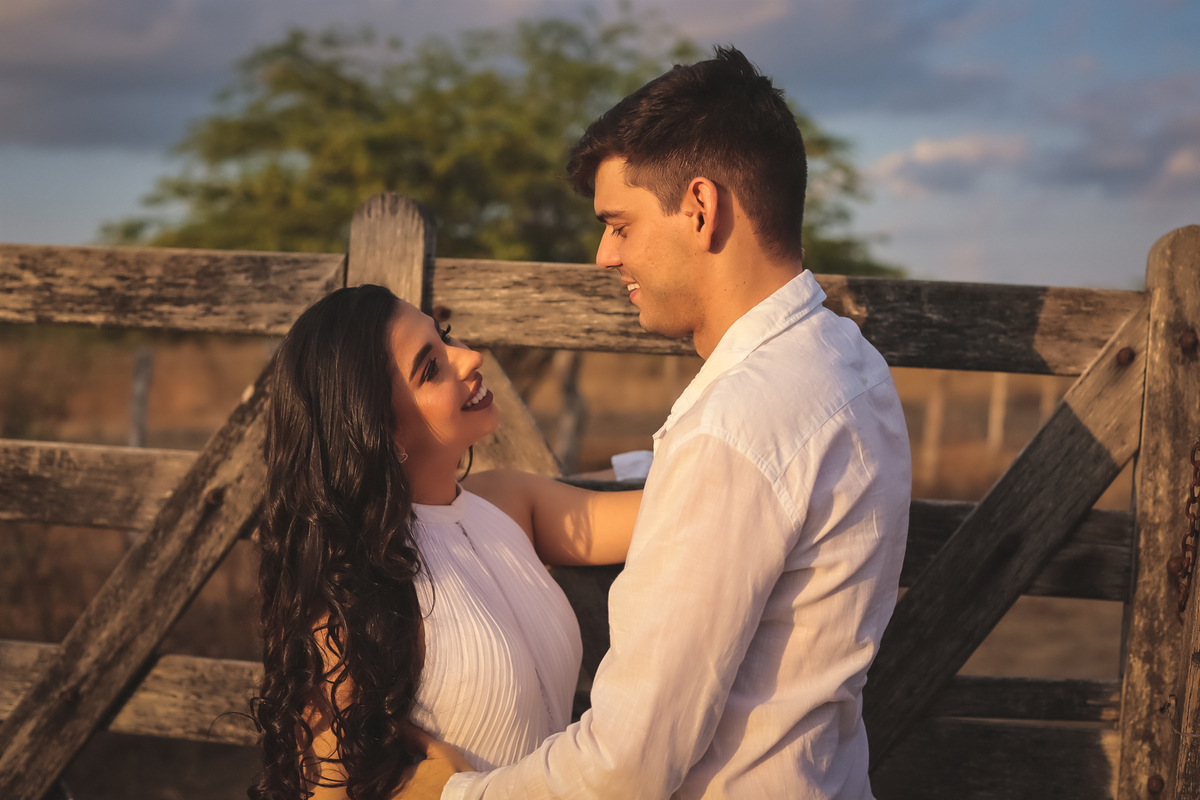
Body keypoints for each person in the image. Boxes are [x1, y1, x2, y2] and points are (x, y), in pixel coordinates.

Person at [406, 46, 911, 800]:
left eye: (620, 223)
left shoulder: (734, 429)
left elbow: (626, 768)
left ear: (701, 209)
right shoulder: (846, 359)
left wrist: (448, 796)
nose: (605, 255)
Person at [247, 284, 641, 800]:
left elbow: (675, 507)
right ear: (377, 430)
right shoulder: (352, 594)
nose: (471, 357)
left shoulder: (509, 501)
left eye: (446, 337)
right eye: (430, 367)